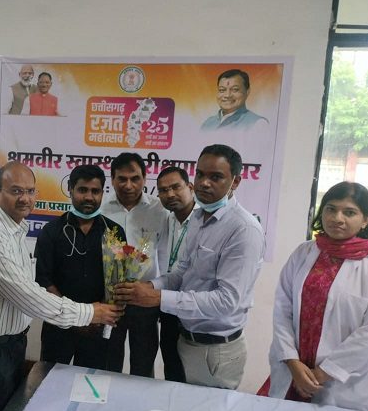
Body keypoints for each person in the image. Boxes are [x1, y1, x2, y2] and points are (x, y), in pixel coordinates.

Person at [0, 161, 124, 411]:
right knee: (36, 397)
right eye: (16, 191)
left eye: (30, 191)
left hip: (19, 341)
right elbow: (31, 292)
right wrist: (89, 314)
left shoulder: (16, 227)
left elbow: (118, 278)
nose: (25, 198)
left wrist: (102, 313)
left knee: (88, 395)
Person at [115, 144, 265, 390]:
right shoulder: (198, 218)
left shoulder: (243, 230)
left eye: (216, 177)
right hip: (187, 339)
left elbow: (227, 301)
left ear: (235, 182)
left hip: (216, 349)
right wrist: (149, 286)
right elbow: (182, 273)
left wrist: (158, 298)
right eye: (201, 174)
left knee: (207, 407)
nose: (205, 183)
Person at [263, 181, 368, 411]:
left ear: (365, 220)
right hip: (294, 371)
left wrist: (323, 373)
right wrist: (292, 362)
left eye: (349, 212)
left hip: (343, 382)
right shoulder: (304, 252)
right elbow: (282, 309)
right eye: (331, 209)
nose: (337, 218)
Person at [35, 165, 126, 369]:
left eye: (95, 191)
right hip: (59, 324)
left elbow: (117, 281)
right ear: (70, 189)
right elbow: (43, 280)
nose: (89, 197)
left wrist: (96, 317)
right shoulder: (51, 232)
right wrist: (75, 317)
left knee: (93, 383)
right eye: (82, 190)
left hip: (99, 327)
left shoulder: (114, 232)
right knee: (51, 381)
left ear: (102, 193)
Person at [101, 152, 169, 378]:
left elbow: (166, 258)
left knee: (143, 363)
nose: (128, 185)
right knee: (108, 362)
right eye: (122, 179)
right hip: (110, 300)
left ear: (145, 178)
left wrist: (154, 289)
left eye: (135, 178)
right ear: (112, 179)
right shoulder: (101, 208)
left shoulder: (159, 210)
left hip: (145, 299)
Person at [156, 166, 196, 382]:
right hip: (168, 306)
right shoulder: (166, 220)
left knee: (193, 377)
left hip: (194, 309)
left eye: (175, 187)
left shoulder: (205, 222)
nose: (170, 194)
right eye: (163, 190)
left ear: (190, 187)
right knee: (171, 369)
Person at [201, 69, 268, 130]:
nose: (227, 95)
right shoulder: (207, 124)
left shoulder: (258, 124)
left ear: (247, 92)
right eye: (222, 90)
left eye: (235, 89)